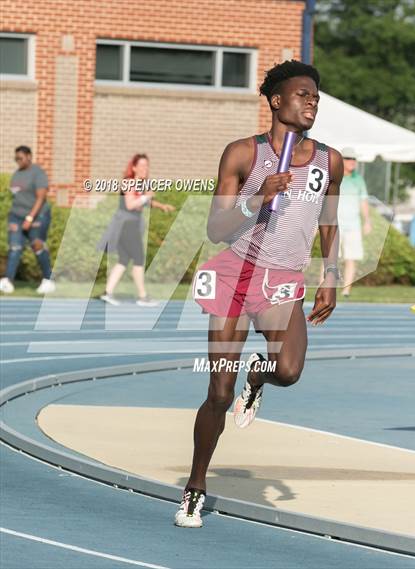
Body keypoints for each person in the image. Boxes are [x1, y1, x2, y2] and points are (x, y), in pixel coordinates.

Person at [174, 60, 343, 528]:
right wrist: (257, 197)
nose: (312, 102)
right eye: (303, 94)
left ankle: (258, 379)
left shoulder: (330, 161)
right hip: (236, 276)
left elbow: (328, 220)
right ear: (275, 100)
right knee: (218, 393)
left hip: (283, 280)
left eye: (316, 96)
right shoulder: (242, 154)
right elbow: (215, 228)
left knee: (287, 371)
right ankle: (195, 488)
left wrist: (331, 274)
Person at [98, 153, 174, 306]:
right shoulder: (129, 182)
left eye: (147, 165)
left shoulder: (141, 184)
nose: (145, 168)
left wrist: (160, 206)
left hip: (131, 225)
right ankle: (142, 296)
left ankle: (108, 292)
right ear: (134, 167)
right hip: (126, 226)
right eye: (141, 165)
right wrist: (146, 197)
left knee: (124, 259)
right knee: (139, 258)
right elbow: (130, 204)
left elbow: (144, 201)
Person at [0, 146, 55, 295]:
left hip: (37, 215)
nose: (18, 161)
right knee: (14, 247)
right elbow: (16, 197)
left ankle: (48, 280)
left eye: (20, 158)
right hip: (16, 216)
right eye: (16, 158)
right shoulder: (17, 174)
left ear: (29, 156)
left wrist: (30, 218)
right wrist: (13, 217)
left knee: (37, 246)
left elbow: (41, 197)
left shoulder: (38, 173)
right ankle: (8, 281)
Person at [337, 147, 371, 297]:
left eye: (353, 159)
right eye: (348, 158)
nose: (352, 162)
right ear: (341, 160)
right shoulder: (335, 177)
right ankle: (324, 286)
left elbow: (363, 201)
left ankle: (346, 290)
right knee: (330, 258)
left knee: (351, 258)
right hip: (334, 225)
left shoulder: (359, 179)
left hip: (353, 225)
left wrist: (367, 221)